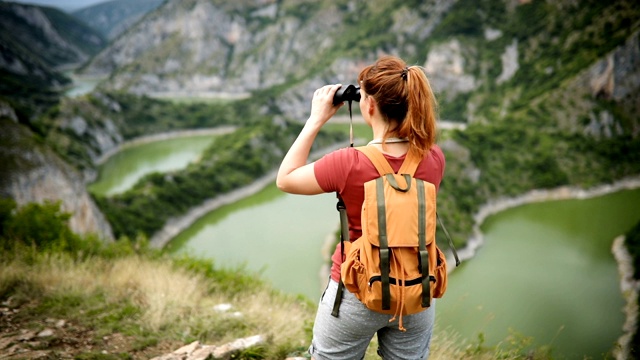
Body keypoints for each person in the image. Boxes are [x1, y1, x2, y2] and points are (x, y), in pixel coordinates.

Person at [276, 55, 445, 360]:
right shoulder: (433, 157)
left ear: (368, 106)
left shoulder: (348, 163)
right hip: (416, 291)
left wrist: (316, 119)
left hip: (355, 292)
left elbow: (285, 179)